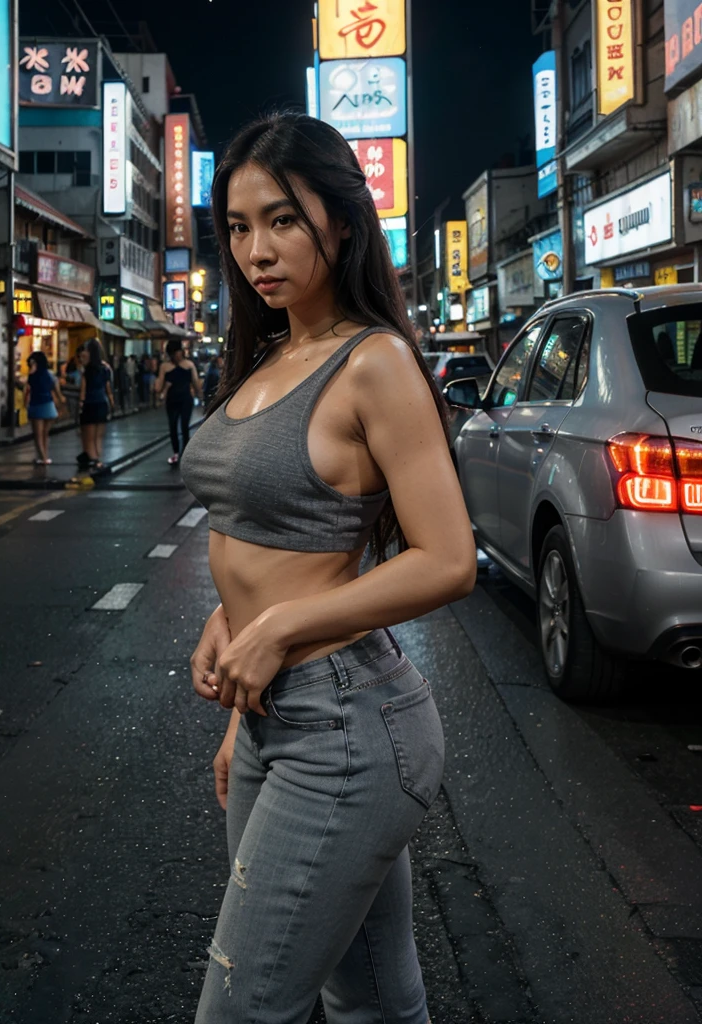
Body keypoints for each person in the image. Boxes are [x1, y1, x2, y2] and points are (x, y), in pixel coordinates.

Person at [181, 112, 476, 1024]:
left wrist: (276, 627)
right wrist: (231, 627)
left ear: (340, 221)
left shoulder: (373, 361)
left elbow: (448, 558)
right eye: (237, 227)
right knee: (376, 1000)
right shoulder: (268, 355)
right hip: (274, 714)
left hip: (347, 722)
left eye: (281, 219)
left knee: (239, 1010)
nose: (256, 250)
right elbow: (265, 531)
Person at [155, 339, 201, 465]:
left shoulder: (189, 365)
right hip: (172, 400)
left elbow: (196, 383)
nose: (177, 355)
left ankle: (184, 452)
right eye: (175, 352)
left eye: (179, 352)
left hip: (186, 399)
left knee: (184, 426)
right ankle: (176, 452)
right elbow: (158, 386)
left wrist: (200, 396)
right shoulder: (164, 366)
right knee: (173, 426)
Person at [24, 350, 64, 465]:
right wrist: (60, 401)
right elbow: (56, 390)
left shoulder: (33, 376)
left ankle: (43, 458)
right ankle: (44, 456)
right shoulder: (50, 375)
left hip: (37, 406)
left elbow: (28, 388)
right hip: (49, 406)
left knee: (38, 435)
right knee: (45, 434)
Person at [79, 339, 114, 470]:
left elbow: (83, 391)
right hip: (102, 403)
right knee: (98, 437)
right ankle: (98, 460)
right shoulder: (104, 369)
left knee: (89, 437)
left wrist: (80, 405)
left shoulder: (87, 371)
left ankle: (93, 460)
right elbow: (108, 388)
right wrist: (111, 403)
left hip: (90, 404)